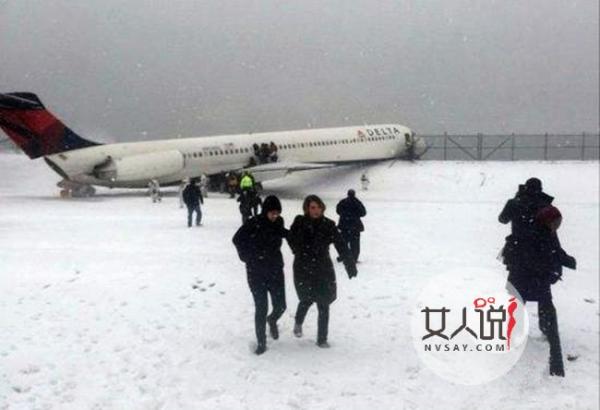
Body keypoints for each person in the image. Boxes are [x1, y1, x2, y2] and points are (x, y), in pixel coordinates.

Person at [500, 202, 576, 377]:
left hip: (524, 279)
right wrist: (564, 263)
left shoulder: (540, 231)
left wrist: (563, 262)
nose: (556, 227)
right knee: (540, 308)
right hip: (530, 279)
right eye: (555, 223)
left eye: (558, 224)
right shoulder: (540, 235)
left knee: (519, 307)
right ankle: (548, 345)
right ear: (547, 220)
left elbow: (554, 253)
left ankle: (513, 335)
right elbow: (553, 253)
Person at [288, 195, 357, 347]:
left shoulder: (328, 225)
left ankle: (322, 338)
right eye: (312, 207)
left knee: (324, 302)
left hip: (322, 268)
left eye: (318, 207)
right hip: (303, 267)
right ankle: (298, 322)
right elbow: (290, 238)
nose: (316, 210)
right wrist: (297, 249)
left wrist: (349, 264)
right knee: (306, 299)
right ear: (307, 209)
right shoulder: (299, 222)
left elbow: (341, 245)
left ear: (322, 208)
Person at [232, 196, 289, 355]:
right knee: (261, 307)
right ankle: (261, 342)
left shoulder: (278, 222)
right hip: (256, 272)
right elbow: (237, 239)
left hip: (275, 270)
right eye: (272, 213)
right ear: (265, 211)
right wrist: (247, 257)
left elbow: (282, 232)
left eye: (277, 213)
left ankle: (272, 320)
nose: (275, 216)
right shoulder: (253, 223)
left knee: (281, 306)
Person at [336, 189, 367, 263]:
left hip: (344, 225)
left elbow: (338, 211)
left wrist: (345, 215)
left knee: (344, 242)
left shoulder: (343, 202)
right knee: (355, 244)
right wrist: (355, 215)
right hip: (355, 226)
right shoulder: (357, 202)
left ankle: (343, 256)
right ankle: (354, 258)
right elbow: (363, 213)